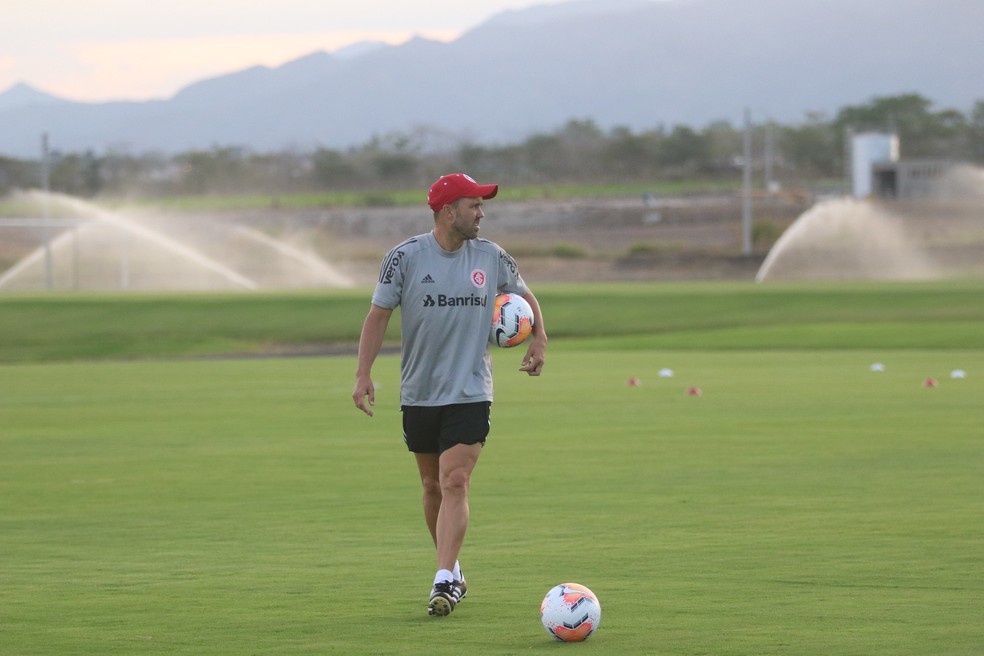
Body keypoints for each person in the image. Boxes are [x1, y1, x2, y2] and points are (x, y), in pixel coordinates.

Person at [352, 173, 547, 617]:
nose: (482, 213)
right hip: (419, 392)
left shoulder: (492, 256)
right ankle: (453, 569)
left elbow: (524, 294)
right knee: (430, 486)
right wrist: (363, 373)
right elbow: (378, 315)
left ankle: (441, 580)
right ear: (448, 212)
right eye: (474, 205)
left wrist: (541, 338)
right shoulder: (404, 257)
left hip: (470, 390)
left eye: (482, 205)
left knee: (454, 479)